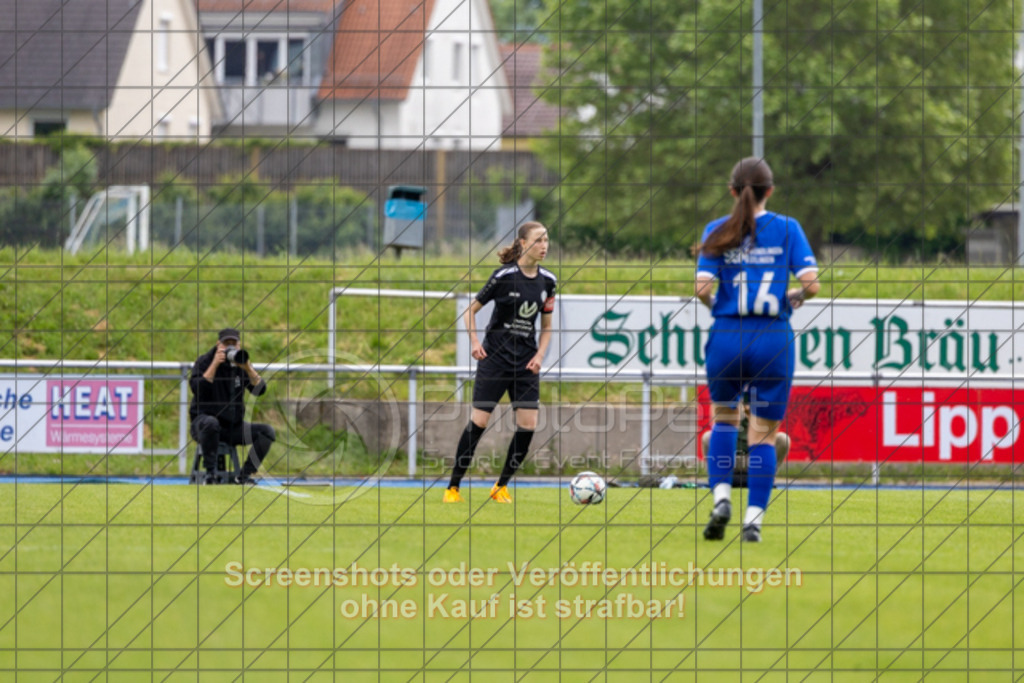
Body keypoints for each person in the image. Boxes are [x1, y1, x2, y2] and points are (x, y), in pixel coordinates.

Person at [695, 157, 819, 542]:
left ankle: (720, 499)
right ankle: (753, 521)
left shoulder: (718, 229)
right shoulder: (787, 228)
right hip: (771, 337)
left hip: (728, 334)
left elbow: (701, 288)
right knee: (764, 435)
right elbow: (812, 284)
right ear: (771, 191)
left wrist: (724, 311)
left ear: (732, 191)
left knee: (724, 421)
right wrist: (794, 297)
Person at [443, 221, 556, 504]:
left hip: (526, 364)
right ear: (522, 243)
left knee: (528, 425)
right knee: (479, 422)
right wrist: (474, 343)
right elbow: (470, 312)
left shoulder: (549, 281)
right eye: (539, 240)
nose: (544, 246)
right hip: (494, 360)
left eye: (546, 240)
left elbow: (546, 326)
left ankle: (500, 486)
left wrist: (540, 355)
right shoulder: (504, 276)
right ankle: (453, 487)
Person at [189, 328, 276, 485]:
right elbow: (197, 389)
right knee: (211, 423)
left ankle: (243, 475)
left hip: (232, 427)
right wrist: (215, 363)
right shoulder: (204, 361)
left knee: (267, 432)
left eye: (233, 344)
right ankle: (210, 474)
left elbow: (260, 390)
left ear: (239, 344)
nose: (230, 347)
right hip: (203, 424)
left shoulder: (240, 364)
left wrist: (248, 368)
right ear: (218, 344)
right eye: (226, 344)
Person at [700, 397, 791, 488]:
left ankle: (768, 479)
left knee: (783, 439)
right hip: (728, 460)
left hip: (756, 460)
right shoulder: (730, 407)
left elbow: (769, 440)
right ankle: (714, 478)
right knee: (707, 437)